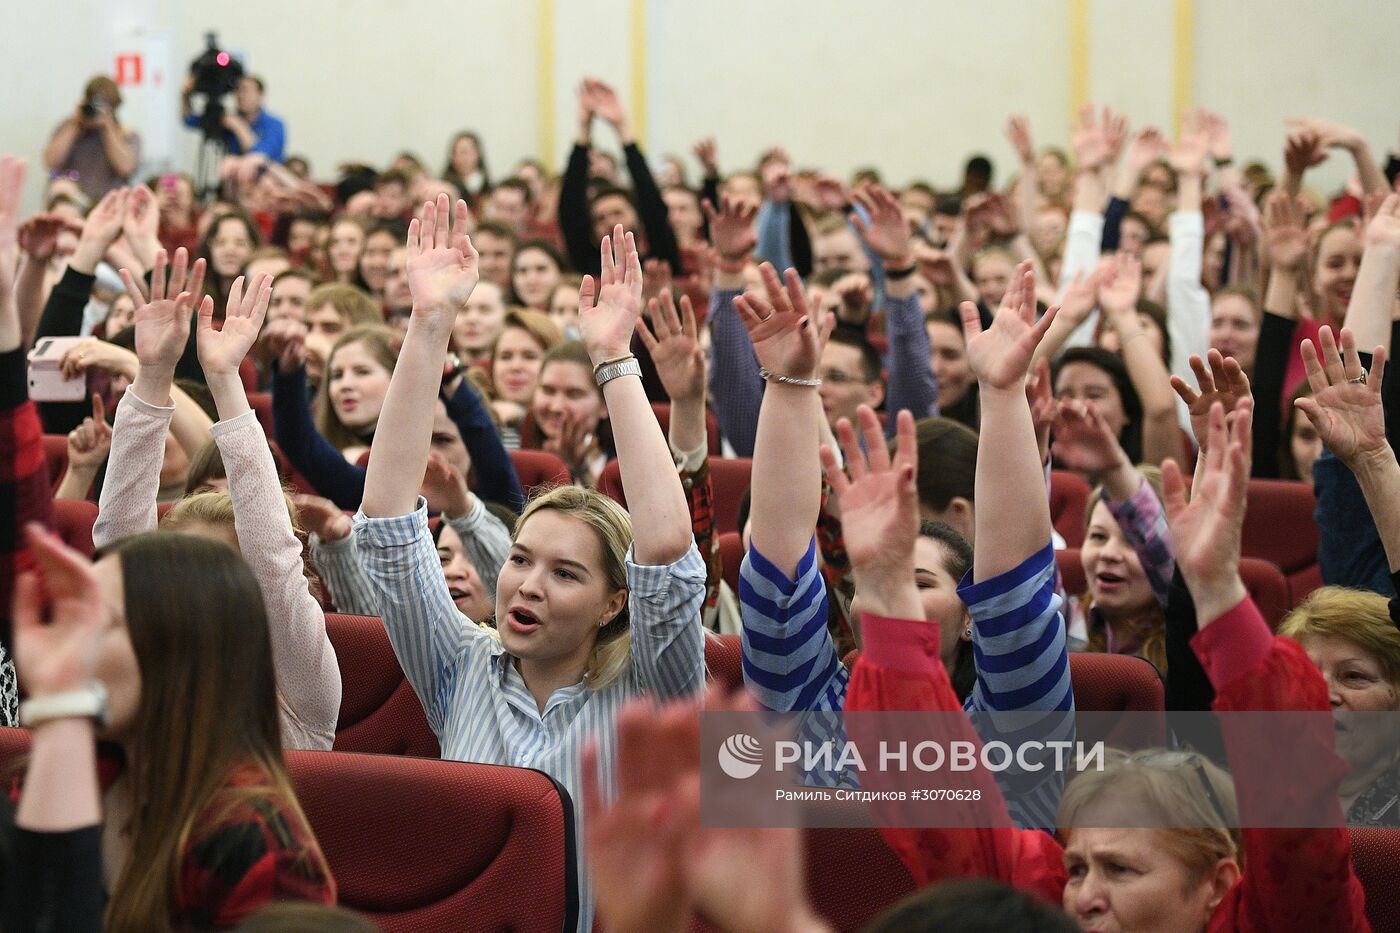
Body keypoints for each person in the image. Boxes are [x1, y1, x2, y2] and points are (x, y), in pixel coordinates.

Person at [352, 200, 704, 932]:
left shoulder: (656, 686)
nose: (527, 586)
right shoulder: (460, 665)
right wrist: (428, 324)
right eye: (520, 559)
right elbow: (387, 519)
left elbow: (667, 551)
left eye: (566, 574)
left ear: (614, 602)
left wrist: (612, 361)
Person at [93, 254, 341, 751]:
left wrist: (226, 379)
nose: (195, 589)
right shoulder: (143, 659)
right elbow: (121, 543)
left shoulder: (296, 678)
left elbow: (272, 558)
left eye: (220, 569)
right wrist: (154, 372)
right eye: (183, 568)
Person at [470, 308, 564, 449]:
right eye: (506, 357)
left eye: (529, 356)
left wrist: (525, 418)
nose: (515, 367)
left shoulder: (569, 423)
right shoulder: (470, 414)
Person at [43, 76, 140, 200]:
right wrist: (76, 123)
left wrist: (108, 127)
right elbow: (50, 162)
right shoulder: (69, 127)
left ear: (114, 108)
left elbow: (126, 168)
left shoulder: (127, 134)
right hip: (71, 205)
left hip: (109, 206)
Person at [182, 74, 287, 162]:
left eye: (246, 90)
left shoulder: (274, 124)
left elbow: (259, 157)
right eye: (238, 90)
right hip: (233, 183)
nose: (241, 95)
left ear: (261, 95)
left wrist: (239, 126)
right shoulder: (228, 120)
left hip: (265, 183)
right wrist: (185, 95)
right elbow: (189, 120)